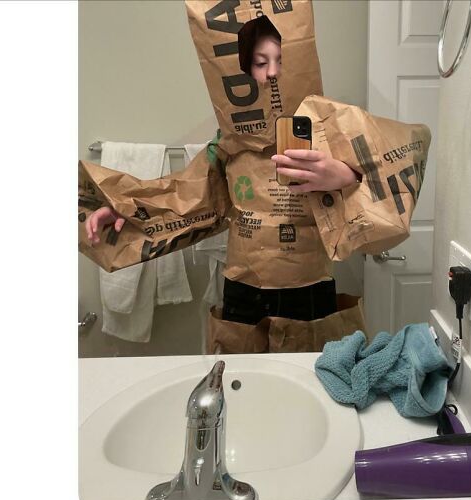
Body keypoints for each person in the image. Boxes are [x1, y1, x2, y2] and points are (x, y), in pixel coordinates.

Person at [84, 18, 359, 327]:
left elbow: (381, 194)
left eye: (282, 61)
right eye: (260, 63)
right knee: (240, 361)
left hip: (309, 287)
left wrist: (346, 176)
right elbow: (190, 192)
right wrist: (126, 207)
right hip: (245, 289)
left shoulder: (331, 130)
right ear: (243, 69)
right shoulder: (229, 138)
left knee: (311, 360)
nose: (272, 73)